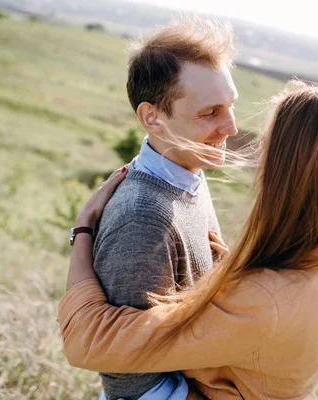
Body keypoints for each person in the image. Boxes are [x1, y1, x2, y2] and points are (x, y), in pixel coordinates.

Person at [60, 82, 318, 399]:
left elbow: (92, 342)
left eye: (269, 145)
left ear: (289, 172)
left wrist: (84, 229)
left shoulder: (260, 302)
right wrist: (238, 276)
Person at [84, 17, 238, 400]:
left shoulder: (188, 173)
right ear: (152, 118)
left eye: (230, 106)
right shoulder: (143, 217)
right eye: (210, 113)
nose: (231, 127)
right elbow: (126, 373)